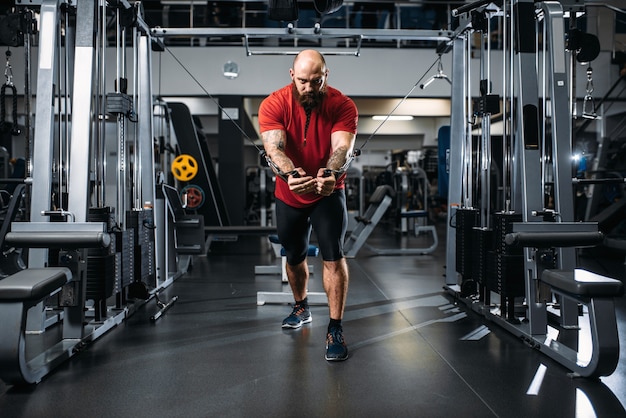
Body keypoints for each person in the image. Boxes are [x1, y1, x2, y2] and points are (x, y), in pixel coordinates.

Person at [258, 49, 358, 361]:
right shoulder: (273, 103)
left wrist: (331, 172)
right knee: (294, 255)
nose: (309, 87)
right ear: (292, 76)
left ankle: (336, 327)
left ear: (325, 77)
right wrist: (289, 174)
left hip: (327, 192)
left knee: (333, 255)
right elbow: (275, 148)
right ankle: (301, 307)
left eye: (316, 81)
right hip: (289, 193)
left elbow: (341, 147)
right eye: (303, 81)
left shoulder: (342, 104)